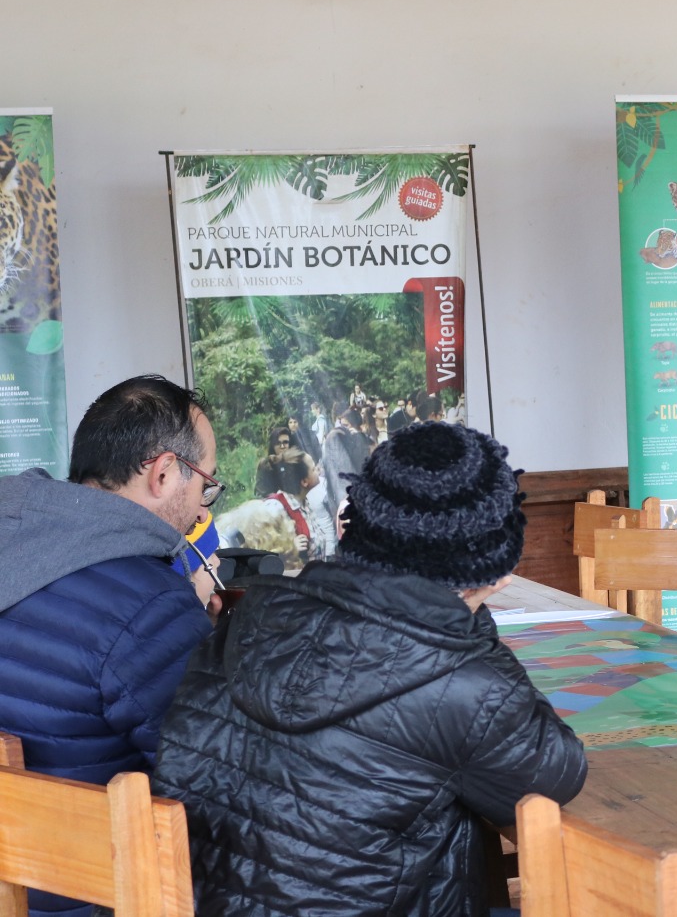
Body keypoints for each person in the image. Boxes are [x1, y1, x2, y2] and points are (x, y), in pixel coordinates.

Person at [154, 421, 588, 915]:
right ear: (499, 569)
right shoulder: (466, 682)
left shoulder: (250, 616)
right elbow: (556, 775)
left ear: (353, 526)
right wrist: (463, 619)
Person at [0, 375, 218, 917]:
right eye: (205, 487)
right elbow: (217, 782)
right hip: (85, 895)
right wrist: (188, 626)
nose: (199, 510)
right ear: (165, 472)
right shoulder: (147, 608)